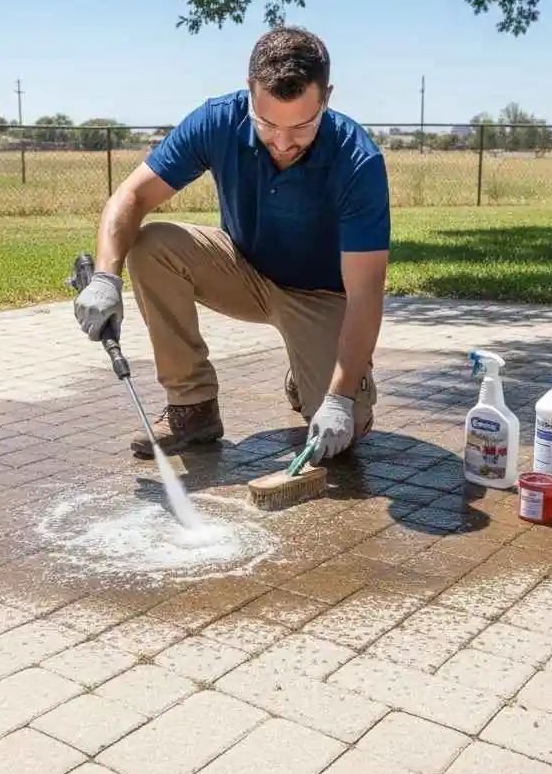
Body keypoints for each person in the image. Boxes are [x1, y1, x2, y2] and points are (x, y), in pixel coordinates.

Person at [74, 25, 390, 464]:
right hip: (243, 270)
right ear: (249, 91)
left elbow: (365, 293)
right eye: (267, 124)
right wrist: (106, 276)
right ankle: (193, 407)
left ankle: (310, 382)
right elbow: (132, 196)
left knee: (347, 425)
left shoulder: (358, 161)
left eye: (302, 126)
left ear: (327, 97)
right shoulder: (218, 120)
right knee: (151, 245)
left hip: (320, 295)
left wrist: (338, 397)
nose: (282, 142)